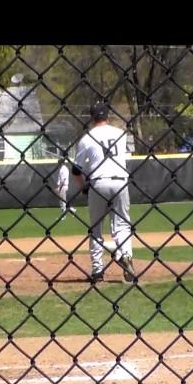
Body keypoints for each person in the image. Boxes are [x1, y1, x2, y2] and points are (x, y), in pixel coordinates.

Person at [72, 102, 135, 284]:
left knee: (96, 228)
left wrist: (83, 186)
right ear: (107, 116)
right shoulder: (120, 134)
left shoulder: (87, 138)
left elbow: (76, 170)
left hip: (98, 183)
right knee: (122, 224)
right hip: (120, 181)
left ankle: (98, 271)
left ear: (92, 117)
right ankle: (126, 255)